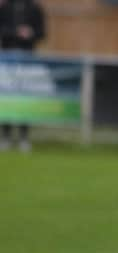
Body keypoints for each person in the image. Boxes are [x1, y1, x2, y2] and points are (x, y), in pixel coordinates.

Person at [0, 0, 45, 152]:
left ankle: (24, 137)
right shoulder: (5, 7)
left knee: (26, 98)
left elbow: (42, 33)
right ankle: (5, 136)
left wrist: (31, 33)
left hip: (28, 60)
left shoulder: (35, 8)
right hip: (7, 59)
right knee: (5, 97)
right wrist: (15, 32)